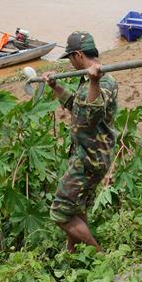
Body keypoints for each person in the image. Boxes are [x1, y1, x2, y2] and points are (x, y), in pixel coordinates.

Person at [41, 31, 116, 253]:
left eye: (70, 58)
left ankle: (98, 254)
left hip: (91, 157)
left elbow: (91, 116)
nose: (70, 63)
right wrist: (55, 86)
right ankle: (74, 252)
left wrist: (94, 81)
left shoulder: (105, 81)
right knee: (77, 204)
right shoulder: (86, 79)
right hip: (82, 153)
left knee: (60, 211)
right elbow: (76, 106)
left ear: (79, 55)